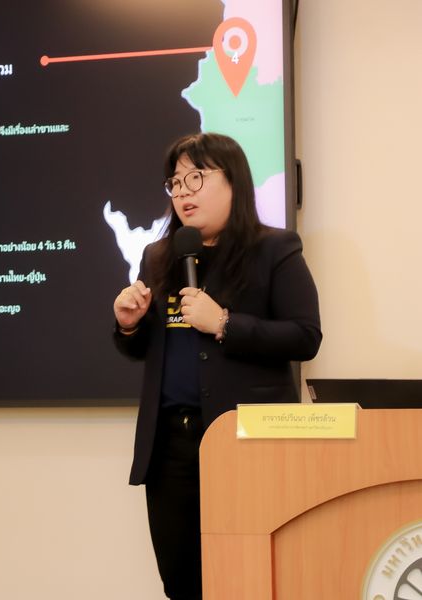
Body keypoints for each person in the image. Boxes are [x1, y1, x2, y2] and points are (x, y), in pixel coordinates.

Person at [112, 132, 322, 600]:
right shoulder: (159, 256)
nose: (183, 192)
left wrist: (225, 323)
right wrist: (129, 326)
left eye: (196, 178)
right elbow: (145, 350)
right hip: (171, 450)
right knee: (182, 583)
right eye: (175, 182)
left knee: (251, 580)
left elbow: (306, 336)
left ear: (234, 182)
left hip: (249, 445)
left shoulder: (274, 249)